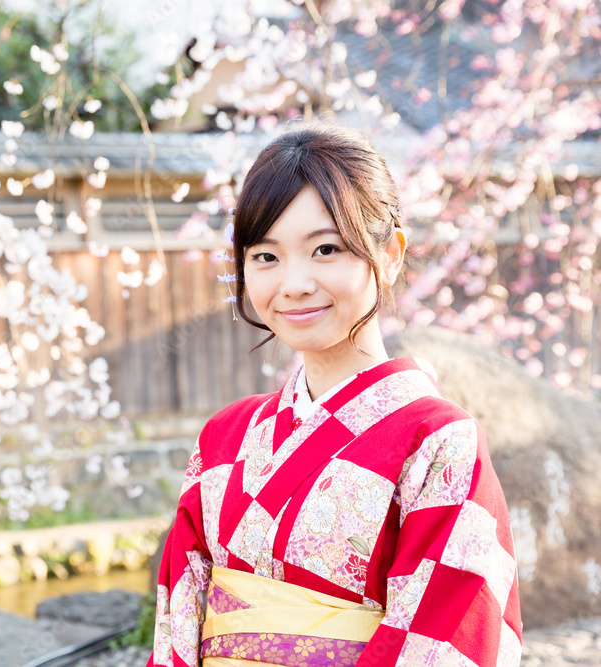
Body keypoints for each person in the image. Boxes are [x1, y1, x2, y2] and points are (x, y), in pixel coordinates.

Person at [148, 122, 521, 666]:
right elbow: (178, 623)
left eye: (325, 249)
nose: (294, 283)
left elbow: (446, 639)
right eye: (266, 257)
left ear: (389, 254)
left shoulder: (438, 442)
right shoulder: (223, 439)